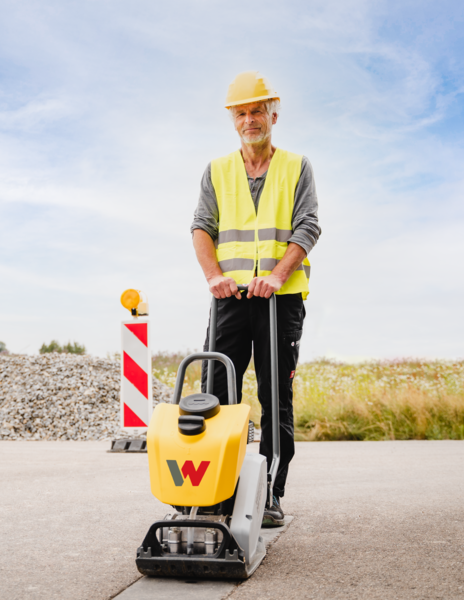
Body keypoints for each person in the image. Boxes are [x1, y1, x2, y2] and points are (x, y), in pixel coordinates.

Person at [190, 71, 321, 527]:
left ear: (273, 115)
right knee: (216, 395)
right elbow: (202, 227)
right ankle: (213, 492)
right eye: (242, 113)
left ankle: (269, 493)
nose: (250, 120)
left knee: (275, 397)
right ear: (233, 120)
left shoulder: (296, 167)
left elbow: (308, 226)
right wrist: (213, 276)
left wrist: (278, 274)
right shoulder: (217, 170)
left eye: (257, 111)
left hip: (279, 299)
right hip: (230, 298)